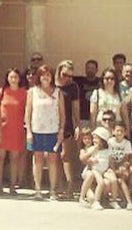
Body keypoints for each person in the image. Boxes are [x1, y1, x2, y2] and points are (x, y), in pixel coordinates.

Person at [25, 64, 65, 201]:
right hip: (36, 130)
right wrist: (28, 131)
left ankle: (52, 190)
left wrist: (61, 131)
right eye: (42, 75)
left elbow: (62, 114)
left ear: (51, 77)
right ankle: (38, 190)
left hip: (53, 130)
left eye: (48, 75)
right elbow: (28, 113)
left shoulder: (57, 92)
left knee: (53, 160)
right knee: (38, 160)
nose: (45, 77)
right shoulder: (32, 92)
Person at [0, 68, 26, 195]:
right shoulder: (2, 91)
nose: (13, 79)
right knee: (0, 157)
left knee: (15, 158)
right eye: (11, 77)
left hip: (17, 129)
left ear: (19, 79)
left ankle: (13, 185)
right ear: (7, 78)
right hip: (3, 129)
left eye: (15, 77)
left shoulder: (24, 93)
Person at [55, 60, 80, 198]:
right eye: (65, 75)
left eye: (70, 76)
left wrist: (77, 125)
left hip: (67, 123)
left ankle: (70, 186)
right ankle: (57, 186)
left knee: (65, 155)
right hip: (52, 123)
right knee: (54, 156)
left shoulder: (72, 86)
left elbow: (75, 107)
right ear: (59, 71)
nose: (67, 78)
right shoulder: (52, 85)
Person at [84, 126, 120, 210]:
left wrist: (112, 170)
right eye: (93, 138)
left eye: (96, 138)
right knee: (101, 183)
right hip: (95, 170)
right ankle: (96, 201)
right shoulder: (92, 149)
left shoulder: (108, 151)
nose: (94, 140)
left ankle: (113, 200)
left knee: (113, 180)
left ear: (103, 140)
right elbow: (85, 159)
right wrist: (91, 159)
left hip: (105, 170)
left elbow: (110, 163)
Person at [108, 123, 132, 210]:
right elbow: (110, 159)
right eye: (117, 131)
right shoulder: (110, 142)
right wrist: (114, 170)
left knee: (121, 180)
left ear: (125, 133)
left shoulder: (127, 143)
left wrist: (123, 167)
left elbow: (126, 157)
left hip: (120, 166)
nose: (119, 133)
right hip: (111, 167)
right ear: (113, 131)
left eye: (122, 131)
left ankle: (127, 201)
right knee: (118, 180)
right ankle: (127, 200)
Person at [75, 59, 100, 125]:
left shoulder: (101, 82)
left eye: (92, 68)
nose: (90, 70)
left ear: (96, 70)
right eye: (88, 68)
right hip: (82, 117)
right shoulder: (79, 81)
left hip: (96, 118)